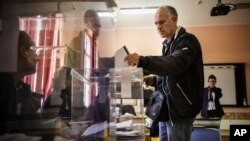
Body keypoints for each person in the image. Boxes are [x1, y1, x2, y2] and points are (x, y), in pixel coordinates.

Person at [124, 5, 204, 141]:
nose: (158, 27)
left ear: (174, 19)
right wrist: (155, 80)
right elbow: (170, 74)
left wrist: (143, 61)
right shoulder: (167, 45)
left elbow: (175, 64)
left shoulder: (188, 40)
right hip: (166, 109)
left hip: (180, 110)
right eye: (156, 24)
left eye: (161, 22)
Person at [0, 31, 41, 134]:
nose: (38, 58)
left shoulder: (22, 89)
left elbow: (32, 123)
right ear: (23, 51)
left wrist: (57, 124)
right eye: (33, 50)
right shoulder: (4, 87)